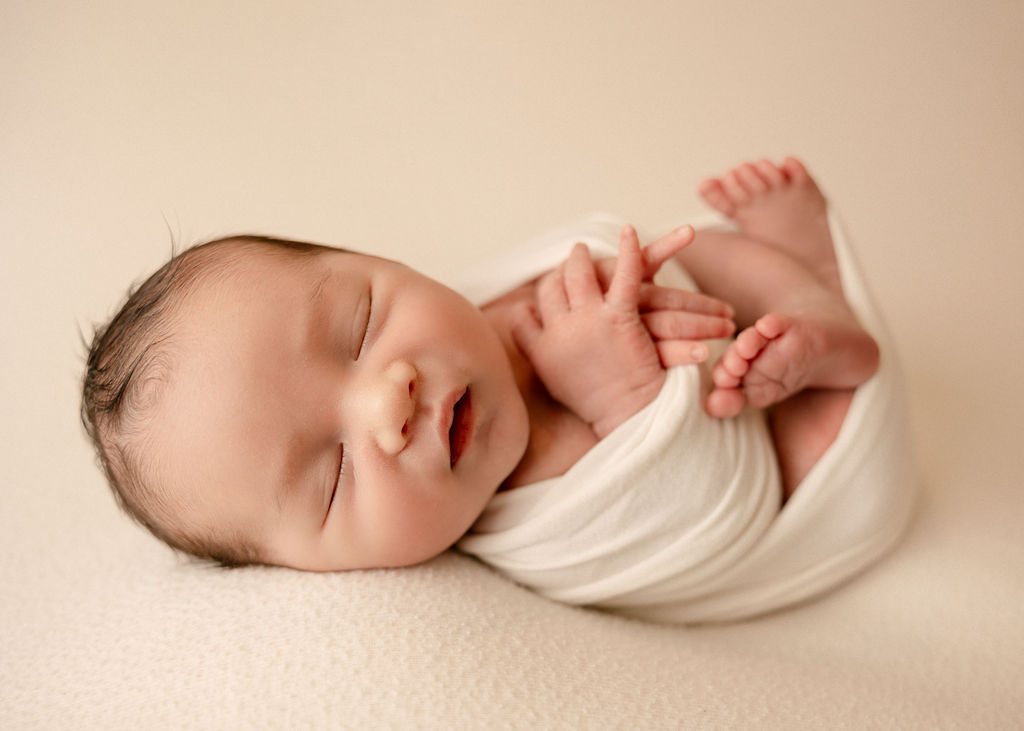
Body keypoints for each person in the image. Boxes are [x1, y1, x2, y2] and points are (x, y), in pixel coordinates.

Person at [82, 158, 906, 622]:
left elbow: (605, 246)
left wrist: (627, 282)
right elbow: (707, 509)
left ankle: (802, 297)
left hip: (717, 332)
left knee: (692, 253)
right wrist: (621, 397)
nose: (387, 405)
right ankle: (821, 318)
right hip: (804, 494)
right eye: (333, 475)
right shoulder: (533, 505)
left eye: (361, 327)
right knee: (809, 445)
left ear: (379, 260)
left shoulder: (478, 308)